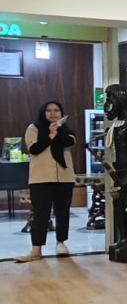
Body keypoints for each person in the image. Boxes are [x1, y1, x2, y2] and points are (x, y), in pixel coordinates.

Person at [16, 101, 77, 263]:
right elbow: (34, 149)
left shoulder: (66, 130)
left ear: (61, 113)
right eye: (49, 110)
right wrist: (50, 134)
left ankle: (61, 243)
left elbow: (70, 142)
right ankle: (36, 249)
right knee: (40, 214)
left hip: (64, 177)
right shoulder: (33, 128)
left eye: (56, 110)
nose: (53, 113)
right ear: (43, 112)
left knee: (63, 212)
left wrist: (58, 131)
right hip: (40, 178)